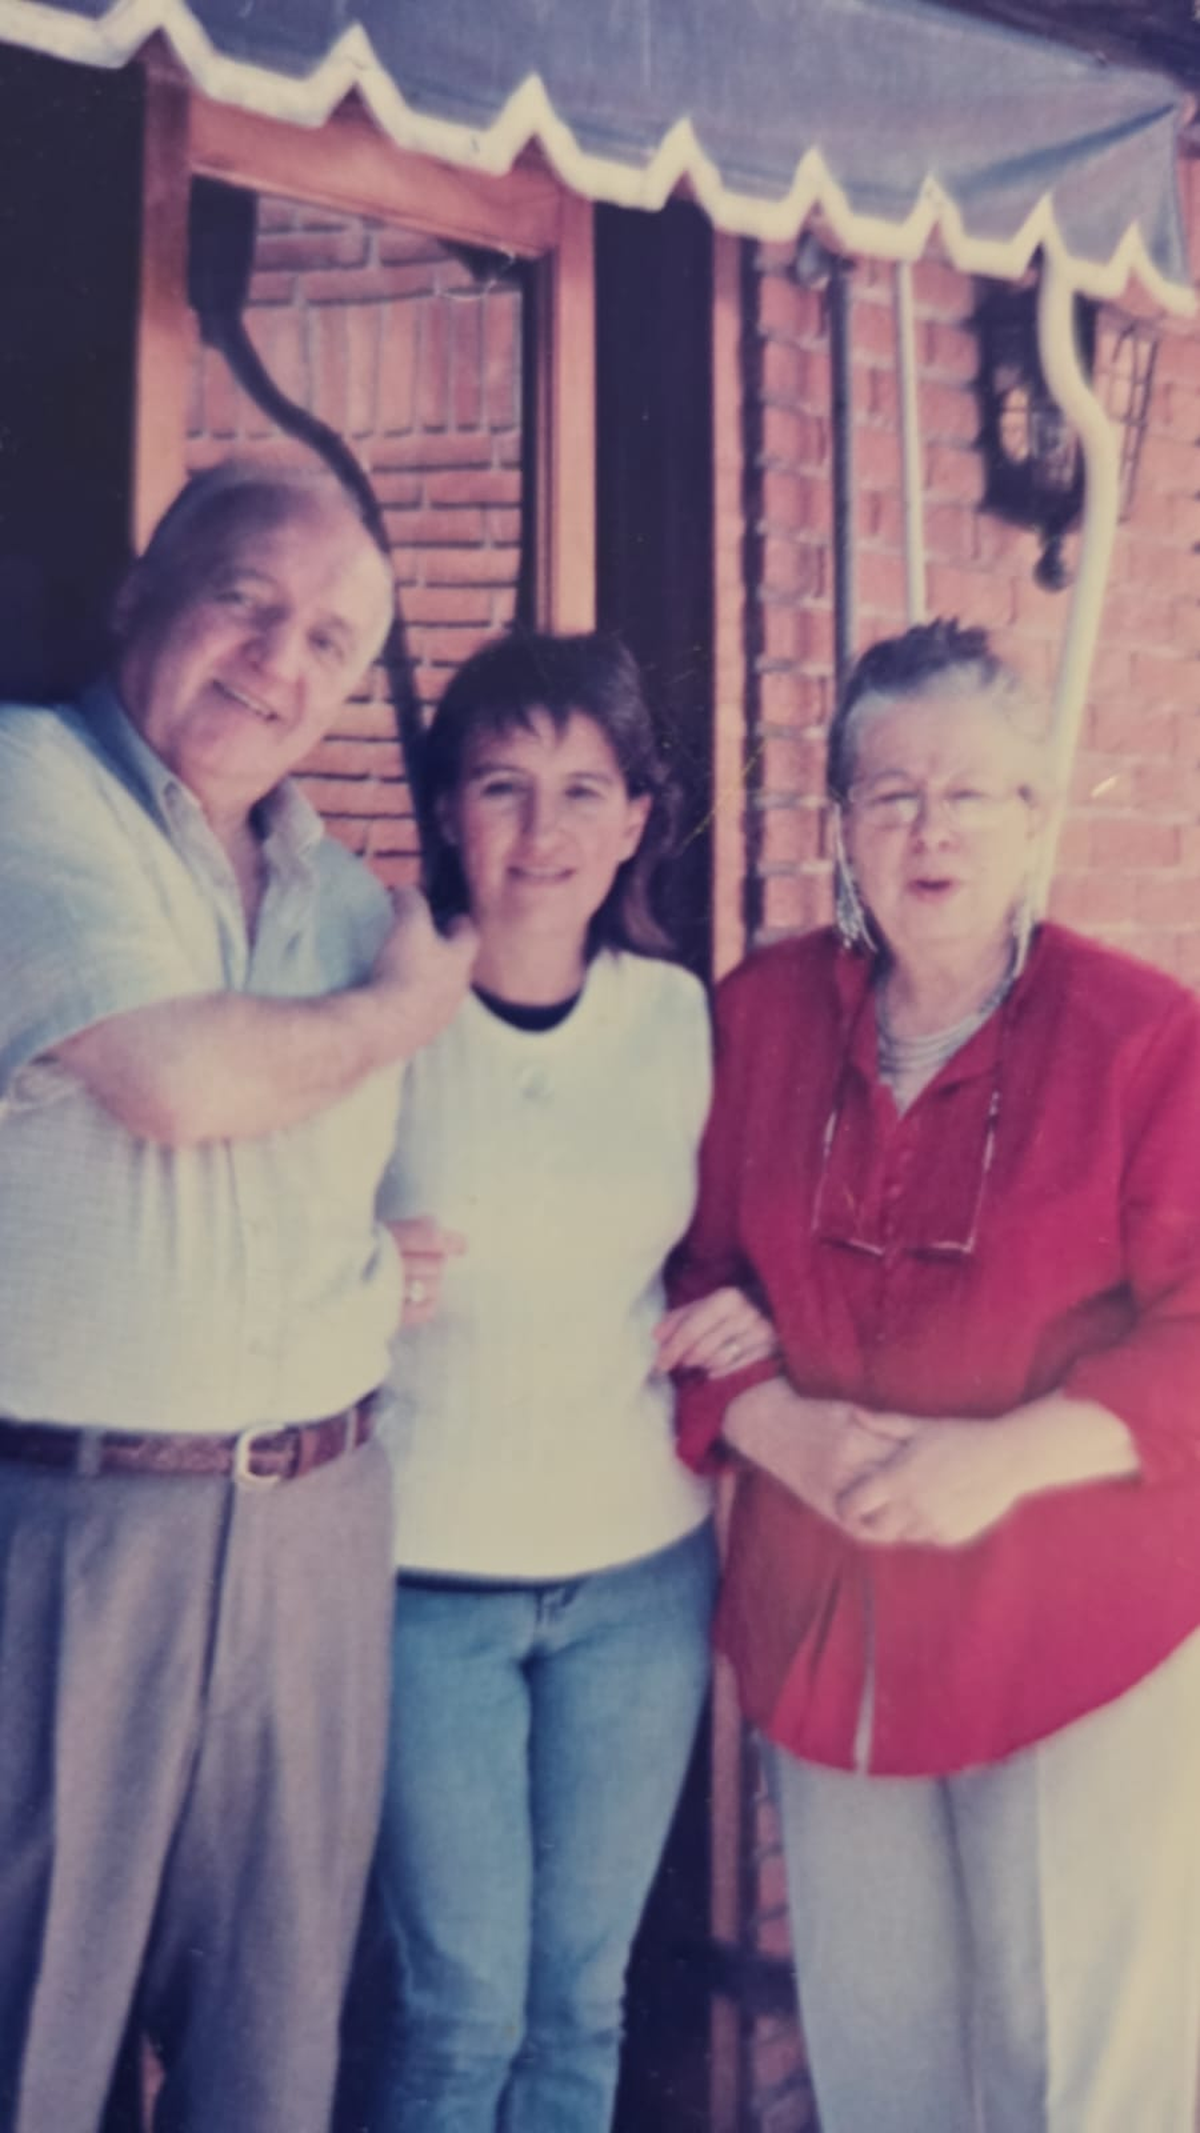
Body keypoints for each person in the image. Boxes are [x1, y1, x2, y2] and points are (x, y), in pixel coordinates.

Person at [667, 620, 1200, 2133]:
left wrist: (1004, 1456)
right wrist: (769, 1418)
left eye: (973, 794)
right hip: (836, 1624)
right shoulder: (758, 1020)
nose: (930, 827)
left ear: (1038, 819)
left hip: (1077, 1622)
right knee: (883, 2064)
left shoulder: (1145, 1040)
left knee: (1078, 2075)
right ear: (839, 822)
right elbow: (689, 1276)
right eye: (890, 791)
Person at [0, 459, 476, 2133]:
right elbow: (178, 1084)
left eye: (333, 645)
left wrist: (374, 1257)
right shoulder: (26, 790)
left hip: (318, 1524)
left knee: (272, 2057)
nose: (284, 662)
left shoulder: (345, 902)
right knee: (33, 2041)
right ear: (145, 594)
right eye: (249, 602)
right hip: (74, 1532)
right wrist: (397, 1020)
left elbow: (351, 1179)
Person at [366, 630, 771, 2133]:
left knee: (579, 2007)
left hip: (636, 1582)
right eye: (503, 786)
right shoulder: (378, 1005)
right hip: (425, 1586)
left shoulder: (677, 1023)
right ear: (448, 809)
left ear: (633, 820)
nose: (544, 834)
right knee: (458, 2013)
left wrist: (761, 1320)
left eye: (583, 791)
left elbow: (735, 1247)